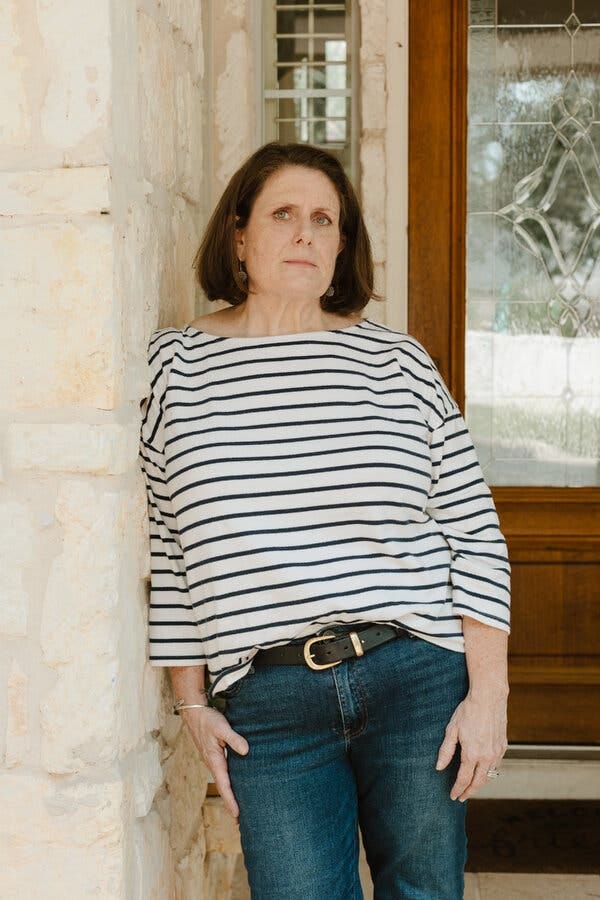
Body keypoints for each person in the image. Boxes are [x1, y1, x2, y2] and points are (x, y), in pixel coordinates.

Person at [139, 141, 510, 899]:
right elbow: (170, 548)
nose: (304, 232)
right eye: (283, 214)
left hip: (415, 677)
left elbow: (472, 529)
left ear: (342, 247)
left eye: (323, 219)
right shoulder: (172, 368)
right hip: (269, 705)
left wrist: (490, 697)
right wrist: (190, 701)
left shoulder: (398, 363)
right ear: (239, 236)